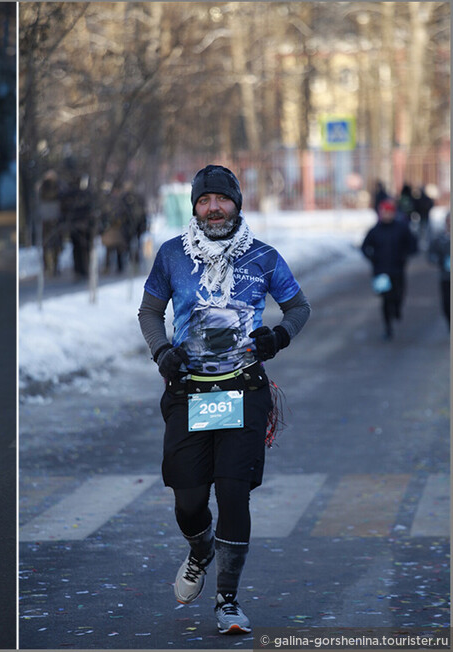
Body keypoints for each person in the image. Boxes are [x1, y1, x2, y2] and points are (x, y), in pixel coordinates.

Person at [137, 165, 310, 635]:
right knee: (190, 500)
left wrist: (279, 337)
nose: (213, 208)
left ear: (237, 203)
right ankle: (200, 550)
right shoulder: (173, 255)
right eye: (204, 200)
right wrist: (162, 352)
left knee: (233, 493)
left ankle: (228, 600)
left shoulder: (263, 257)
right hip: (187, 391)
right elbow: (150, 311)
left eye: (222, 199)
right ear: (195, 207)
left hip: (245, 390)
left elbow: (299, 307)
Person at [361, 198, 418, 340]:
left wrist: (405, 255)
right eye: (384, 212)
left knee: (398, 295)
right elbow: (364, 247)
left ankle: (397, 310)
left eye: (389, 212)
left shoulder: (401, 228)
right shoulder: (375, 231)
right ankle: (388, 328)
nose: (386, 215)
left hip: (398, 269)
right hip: (381, 271)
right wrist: (372, 258)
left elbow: (412, 245)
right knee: (386, 300)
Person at [427, 212, 450, 327]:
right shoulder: (440, 238)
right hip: (445, 276)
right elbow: (431, 254)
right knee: (447, 303)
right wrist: (438, 260)